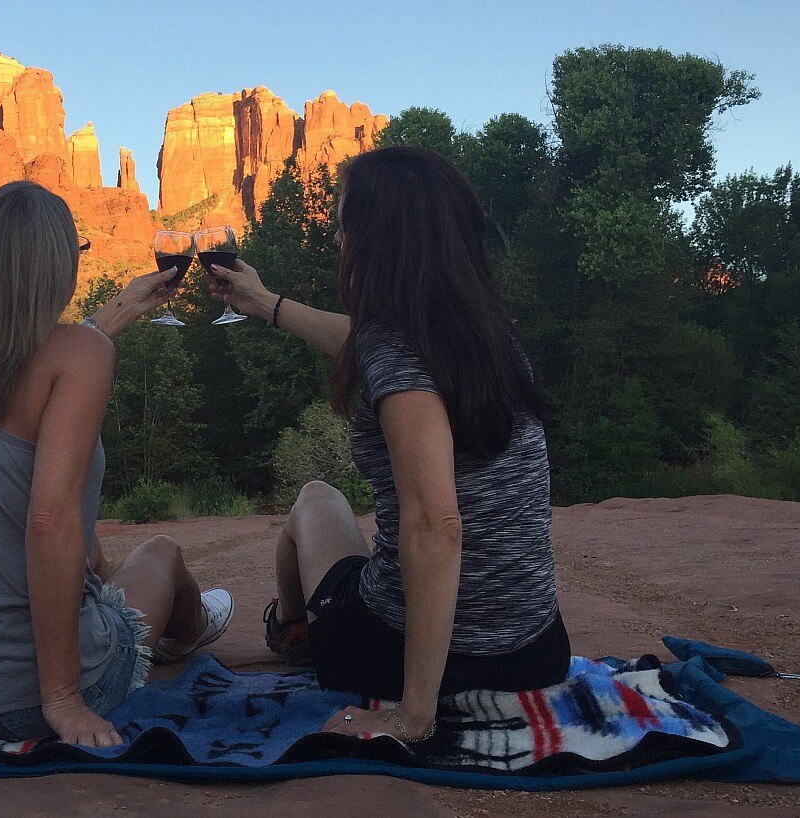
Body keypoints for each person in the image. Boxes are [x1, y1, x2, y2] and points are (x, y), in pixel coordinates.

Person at [208, 146, 569, 742]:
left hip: (408, 656)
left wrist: (413, 715)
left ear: (380, 242)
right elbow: (363, 340)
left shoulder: (394, 349)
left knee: (314, 502)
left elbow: (435, 524)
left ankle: (296, 632)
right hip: (535, 651)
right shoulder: (490, 340)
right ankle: (301, 628)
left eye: (345, 224)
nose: (338, 241)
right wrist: (264, 304)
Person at [0, 181, 233, 748]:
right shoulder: (82, 353)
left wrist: (120, 310)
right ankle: (193, 628)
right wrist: (63, 700)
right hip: (19, 700)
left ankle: (137, 619)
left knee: (97, 563)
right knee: (161, 557)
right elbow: (50, 522)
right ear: (55, 269)